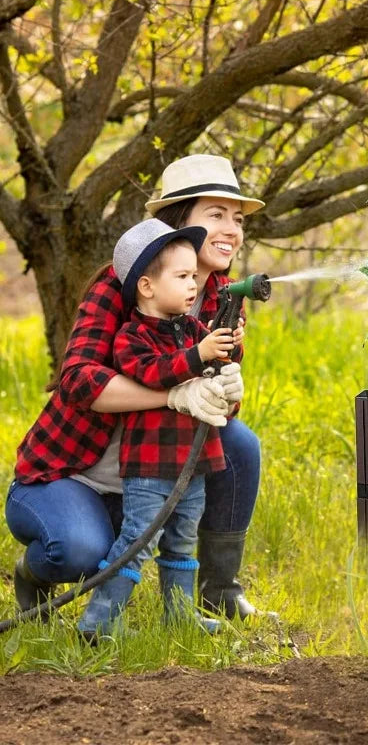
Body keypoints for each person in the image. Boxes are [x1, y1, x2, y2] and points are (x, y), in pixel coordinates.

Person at [8, 154, 264, 620]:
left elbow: (216, 417)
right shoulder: (123, 283)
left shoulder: (224, 297)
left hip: (152, 464)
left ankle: (218, 590)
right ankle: (32, 571)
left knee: (240, 445)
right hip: (75, 472)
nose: (231, 229)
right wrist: (170, 393)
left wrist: (226, 388)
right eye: (216, 215)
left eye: (238, 218)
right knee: (78, 552)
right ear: (179, 224)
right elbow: (79, 380)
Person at [78, 219, 236, 638]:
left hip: (193, 463)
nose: (193, 285)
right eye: (183, 276)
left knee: (182, 542)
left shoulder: (193, 329)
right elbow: (151, 373)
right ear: (147, 287)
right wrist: (198, 354)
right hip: (149, 468)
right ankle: (100, 621)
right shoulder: (131, 337)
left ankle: (179, 615)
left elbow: (213, 370)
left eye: (194, 276)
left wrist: (228, 355)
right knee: (137, 540)